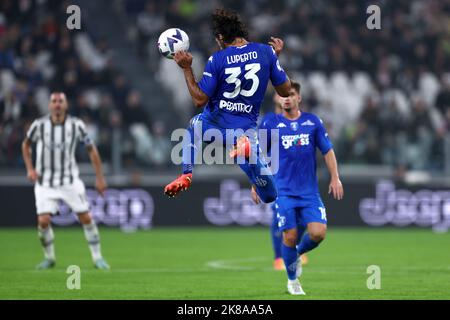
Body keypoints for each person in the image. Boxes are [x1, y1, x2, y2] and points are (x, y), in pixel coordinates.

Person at [164, 8, 291, 203]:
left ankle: (186, 174)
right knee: (270, 196)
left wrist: (187, 68)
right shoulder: (266, 52)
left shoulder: (218, 59)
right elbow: (284, 90)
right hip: (244, 133)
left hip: (215, 126)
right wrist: (274, 61)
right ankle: (249, 153)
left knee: (194, 125)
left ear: (221, 37)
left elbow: (199, 100)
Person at [255, 82, 344, 295]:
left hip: (309, 193)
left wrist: (335, 177)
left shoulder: (312, 122)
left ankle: (296, 254)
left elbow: (327, 151)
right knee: (290, 236)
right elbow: (259, 156)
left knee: (318, 233)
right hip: (283, 191)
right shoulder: (270, 123)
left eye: (291, 94)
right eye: (282, 95)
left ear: (299, 98)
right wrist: (255, 182)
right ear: (277, 99)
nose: (286, 98)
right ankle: (293, 281)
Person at [21, 92, 110, 270]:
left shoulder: (76, 125)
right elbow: (25, 145)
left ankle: (97, 257)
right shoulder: (39, 125)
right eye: (54, 101)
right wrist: (30, 169)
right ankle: (49, 258)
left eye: (61, 101)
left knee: (86, 217)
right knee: (43, 221)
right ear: (49, 105)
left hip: (69, 181)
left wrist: (99, 177)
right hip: (45, 182)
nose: (57, 104)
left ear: (66, 105)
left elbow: (92, 150)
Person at [259, 96, 308, 271]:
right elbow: (262, 150)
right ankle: (278, 257)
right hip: (276, 176)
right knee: (279, 217)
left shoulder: (300, 121)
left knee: (301, 216)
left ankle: (294, 249)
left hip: (298, 177)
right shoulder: (269, 121)